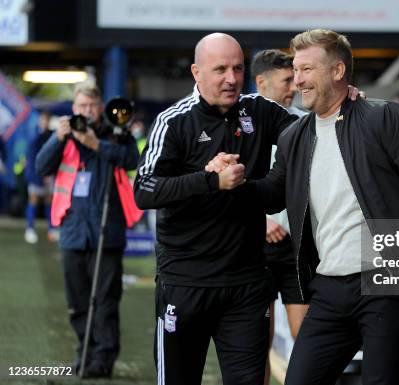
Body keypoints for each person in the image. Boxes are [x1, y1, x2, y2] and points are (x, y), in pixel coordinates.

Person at [208, 28, 399, 385]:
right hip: (328, 287)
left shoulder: (385, 117)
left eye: (307, 69)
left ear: (338, 71)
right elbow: (272, 194)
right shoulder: (294, 135)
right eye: (296, 70)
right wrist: (234, 182)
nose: (298, 80)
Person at [133, 33, 299, 385]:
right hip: (185, 283)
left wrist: (348, 102)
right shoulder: (173, 121)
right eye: (220, 69)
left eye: (237, 68)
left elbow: (309, 135)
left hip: (246, 285)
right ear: (196, 72)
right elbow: (144, 191)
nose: (231, 78)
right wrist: (208, 179)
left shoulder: (260, 111)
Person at [35, 83, 140, 377]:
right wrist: (58, 137)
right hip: (73, 231)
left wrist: (97, 144)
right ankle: (84, 352)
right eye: (81, 106)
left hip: (107, 230)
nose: (86, 112)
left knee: (105, 300)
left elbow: (132, 159)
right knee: (77, 300)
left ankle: (103, 360)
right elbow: (41, 167)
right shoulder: (64, 137)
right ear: (73, 109)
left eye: (91, 106)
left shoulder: (116, 131)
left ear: (100, 107)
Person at [251, 49, 309, 383]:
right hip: (257, 248)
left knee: (310, 339)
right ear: (262, 81)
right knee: (258, 341)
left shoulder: (303, 122)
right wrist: (258, 221)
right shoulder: (242, 125)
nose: (295, 86)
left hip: (300, 248)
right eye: (288, 79)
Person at [24, 110, 56, 243]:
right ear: (39, 121)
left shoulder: (53, 137)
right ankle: (30, 229)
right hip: (36, 177)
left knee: (50, 203)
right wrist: (39, 176)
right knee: (33, 201)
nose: (45, 123)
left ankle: (51, 229)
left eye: (47, 120)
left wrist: (50, 173)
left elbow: (55, 157)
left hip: (49, 177)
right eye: (43, 120)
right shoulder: (34, 138)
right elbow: (31, 160)